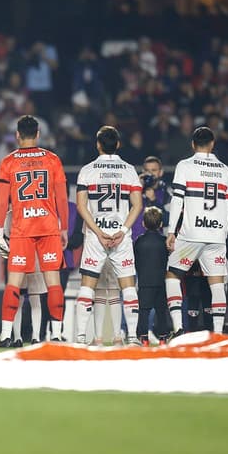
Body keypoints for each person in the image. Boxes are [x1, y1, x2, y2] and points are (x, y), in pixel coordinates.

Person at [0, 115, 68, 347]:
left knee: (14, 283)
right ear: (38, 134)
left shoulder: (8, 162)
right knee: (53, 282)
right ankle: (55, 335)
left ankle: (6, 335)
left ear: (17, 135)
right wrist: (63, 227)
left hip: (21, 228)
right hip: (48, 227)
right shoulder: (52, 159)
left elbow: (2, 202)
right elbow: (62, 198)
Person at [75, 126, 143, 345]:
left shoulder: (87, 170)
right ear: (119, 144)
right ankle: (131, 337)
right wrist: (122, 231)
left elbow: (81, 206)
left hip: (96, 237)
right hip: (121, 237)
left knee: (87, 286)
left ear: (98, 144)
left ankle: (81, 338)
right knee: (128, 286)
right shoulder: (129, 170)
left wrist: (98, 232)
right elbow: (137, 205)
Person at [165, 127, 228, 336]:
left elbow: (177, 200)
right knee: (216, 282)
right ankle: (219, 333)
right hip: (216, 234)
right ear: (212, 143)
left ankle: (178, 328)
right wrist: (223, 231)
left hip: (190, 235)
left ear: (193, 144)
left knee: (172, 275)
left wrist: (171, 231)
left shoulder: (185, 166)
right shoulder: (223, 169)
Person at [133, 207, 170, 344]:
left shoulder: (139, 241)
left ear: (143, 223)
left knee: (143, 311)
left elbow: (135, 260)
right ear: (161, 224)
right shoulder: (164, 241)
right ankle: (163, 338)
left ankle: (143, 338)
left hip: (144, 282)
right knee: (161, 311)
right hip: (160, 282)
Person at [131, 156, 171, 239]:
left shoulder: (167, 194)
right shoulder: (134, 191)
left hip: (156, 243)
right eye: (147, 171)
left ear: (161, 172)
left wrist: (154, 200)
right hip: (133, 242)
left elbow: (168, 220)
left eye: (154, 170)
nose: (150, 174)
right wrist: (137, 188)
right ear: (143, 172)